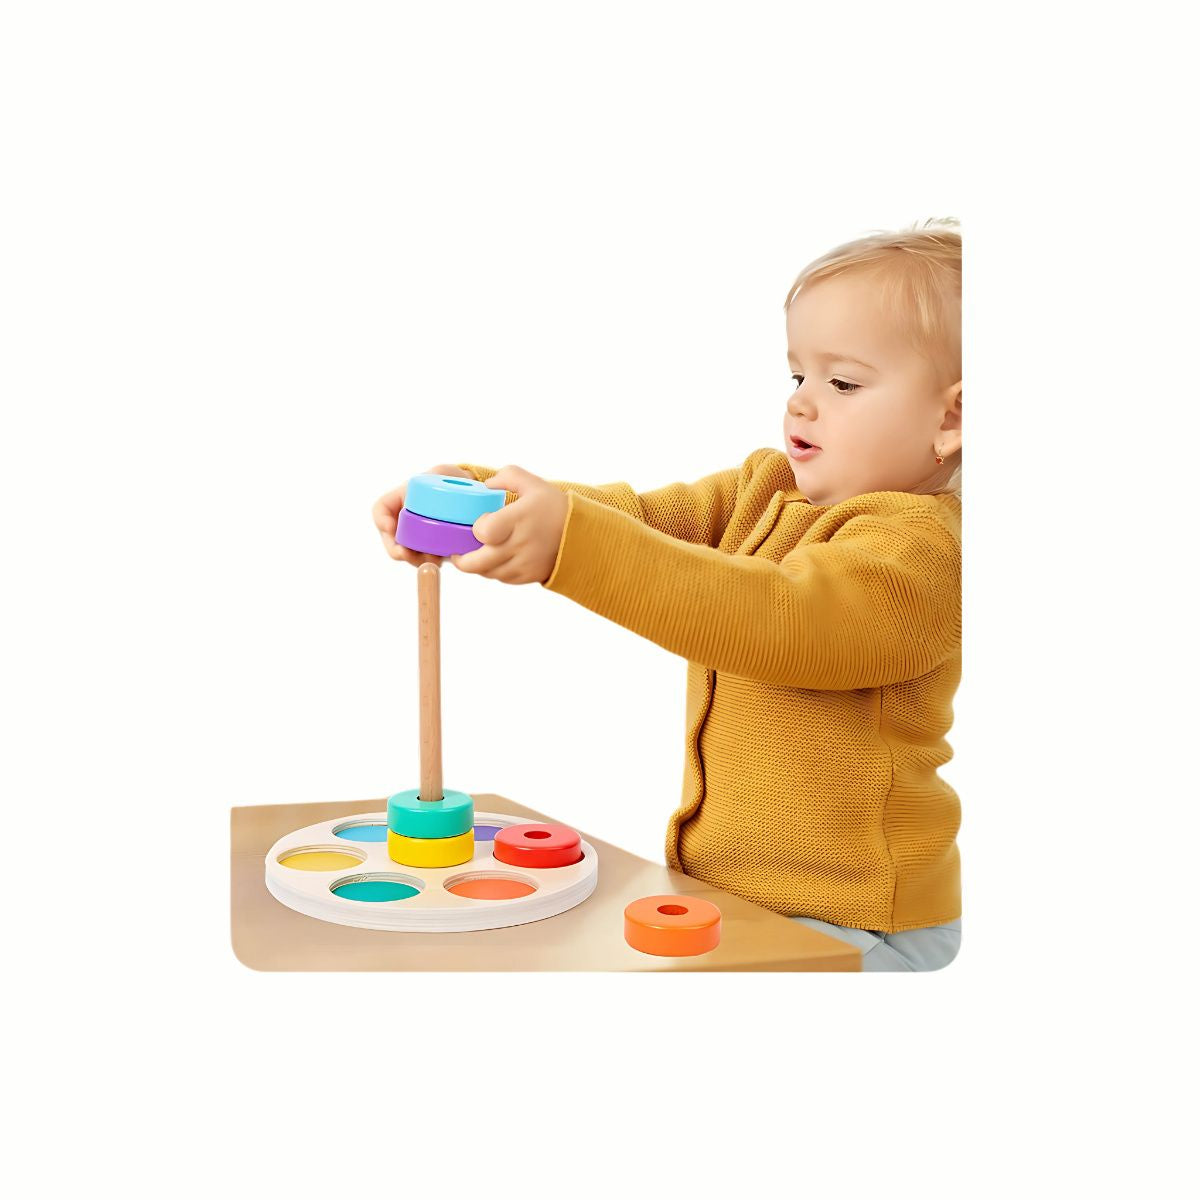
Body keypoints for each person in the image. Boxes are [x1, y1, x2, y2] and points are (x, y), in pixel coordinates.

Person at [372, 219, 963, 971]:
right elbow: (644, 521)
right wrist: (489, 503)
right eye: (797, 378)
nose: (802, 405)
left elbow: (778, 619)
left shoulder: (925, 554)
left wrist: (570, 544)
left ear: (952, 419)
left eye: (842, 383)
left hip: (860, 926)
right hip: (743, 904)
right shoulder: (766, 490)